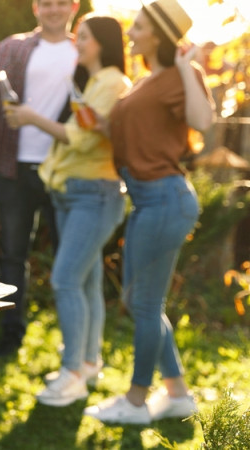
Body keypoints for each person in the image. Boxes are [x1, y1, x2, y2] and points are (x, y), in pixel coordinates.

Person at [83, 0, 214, 424]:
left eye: (137, 26)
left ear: (157, 34)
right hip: (147, 198)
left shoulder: (181, 75)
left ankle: (137, 401)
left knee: (143, 303)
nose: (130, 32)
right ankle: (176, 393)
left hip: (165, 198)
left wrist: (190, 67)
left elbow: (203, 121)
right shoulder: (147, 80)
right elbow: (136, 130)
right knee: (141, 301)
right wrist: (99, 124)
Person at [4, 14, 131, 406]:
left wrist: (29, 117)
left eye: (86, 37)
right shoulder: (92, 81)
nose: (79, 42)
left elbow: (78, 138)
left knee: (65, 280)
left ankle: (72, 374)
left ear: (104, 43)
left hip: (93, 195)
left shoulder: (112, 82)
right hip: (73, 194)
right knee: (87, 281)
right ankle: (89, 362)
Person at [0, 0, 80, 357]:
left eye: (61, 3)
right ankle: (10, 334)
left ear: (74, 7)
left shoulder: (83, 49)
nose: (54, 9)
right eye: (46, 3)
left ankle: (73, 341)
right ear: (36, 8)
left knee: (69, 257)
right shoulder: (13, 47)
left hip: (63, 168)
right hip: (14, 167)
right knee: (14, 255)